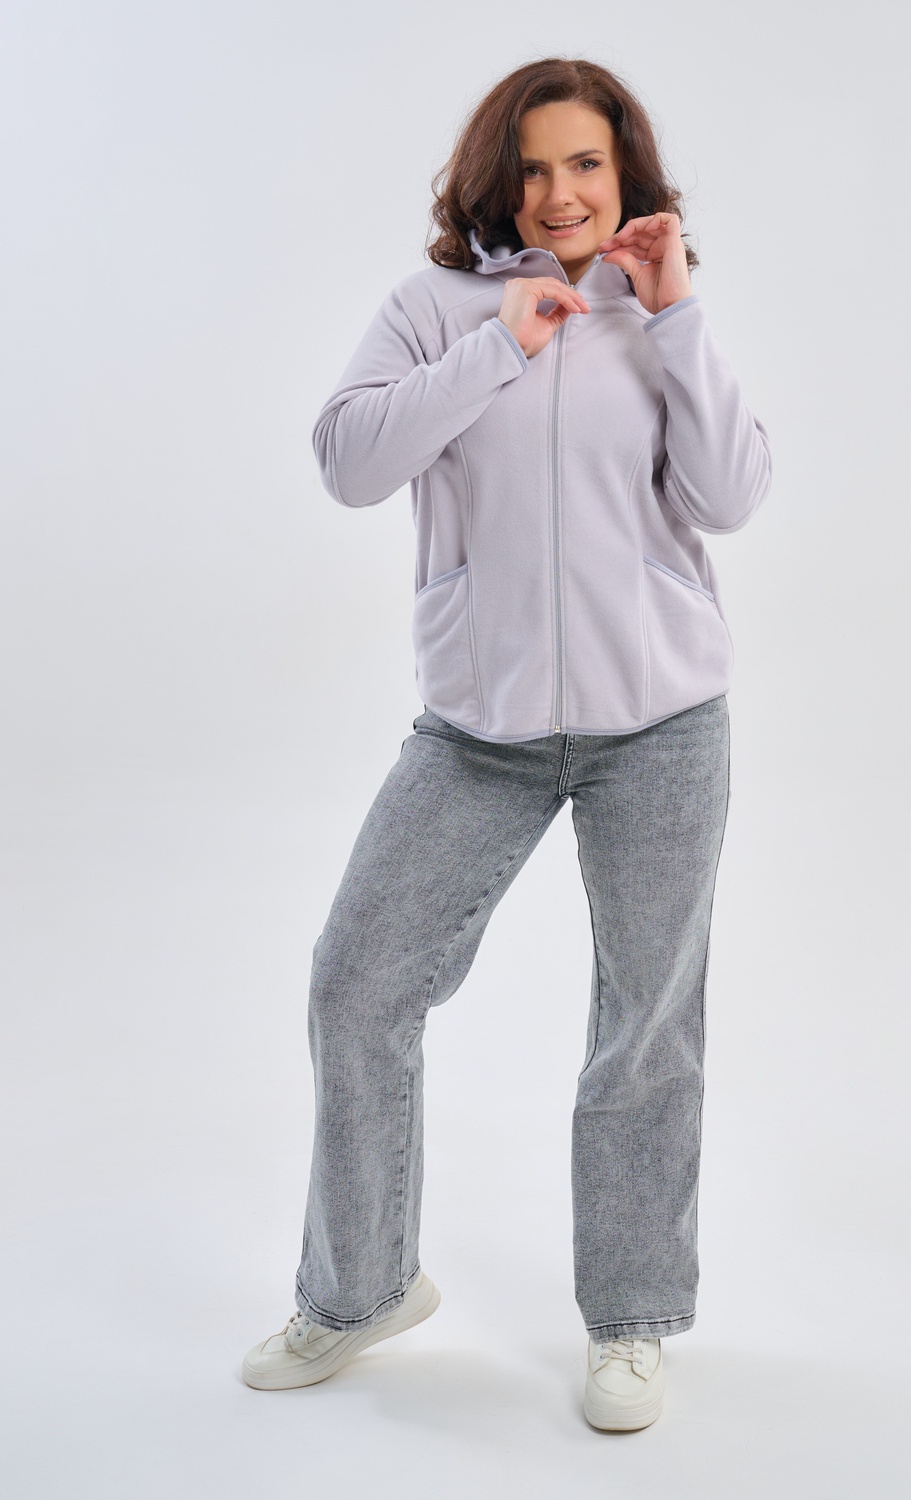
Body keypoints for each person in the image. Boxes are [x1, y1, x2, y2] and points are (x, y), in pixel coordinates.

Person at [241, 55, 771, 1432]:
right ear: (499, 177)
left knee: (646, 1029)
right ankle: (361, 1288)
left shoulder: (657, 309)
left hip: (662, 726)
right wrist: (498, 347)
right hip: (479, 731)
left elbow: (732, 494)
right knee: (357, 982)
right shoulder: (436, 307)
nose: (560, 192)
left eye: (586, 163)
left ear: (625, 170)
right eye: (534, 167)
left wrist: (678, 317)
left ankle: (632, 1319)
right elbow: (349, 462)